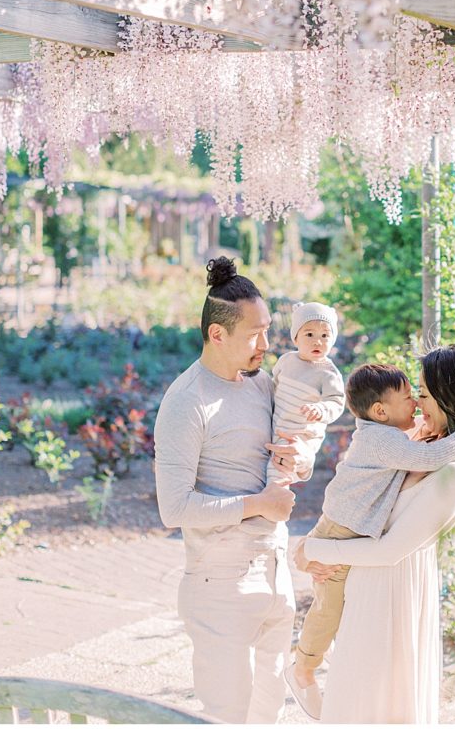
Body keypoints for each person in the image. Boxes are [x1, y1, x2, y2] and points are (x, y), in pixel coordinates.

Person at [153, 256, 313, 724]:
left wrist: (297, 460)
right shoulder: (186, 401)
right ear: (217, 334)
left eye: (268, 330)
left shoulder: (262, 385)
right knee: (227, 716)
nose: (266, 344)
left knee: (269, 714)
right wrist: (259, 504)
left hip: (276, 573)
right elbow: (174, 507)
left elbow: (286, 456)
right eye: (254, 334)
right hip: (219, 585)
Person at [295, 344, 455, 724]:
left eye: (425, 395)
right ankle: (303, 666)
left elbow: (389, 551)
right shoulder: (412, 443)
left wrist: (312, 548)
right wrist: (308, 551)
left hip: (391, 601)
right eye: (414, 394)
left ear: (450, 398)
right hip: (366, 594)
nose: (416, 404)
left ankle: (304, 665)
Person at [266, 301, 345, 486]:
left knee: (278, 472)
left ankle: (275, 502)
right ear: (296, 338)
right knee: (260, 468)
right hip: (277, 424)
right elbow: (272, 386)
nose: (318, 341)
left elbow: (336, 402)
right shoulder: (286, 361)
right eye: (309, 334)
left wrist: (322, 409)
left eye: (325, 335)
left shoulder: (328, 373)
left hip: (300, 435)